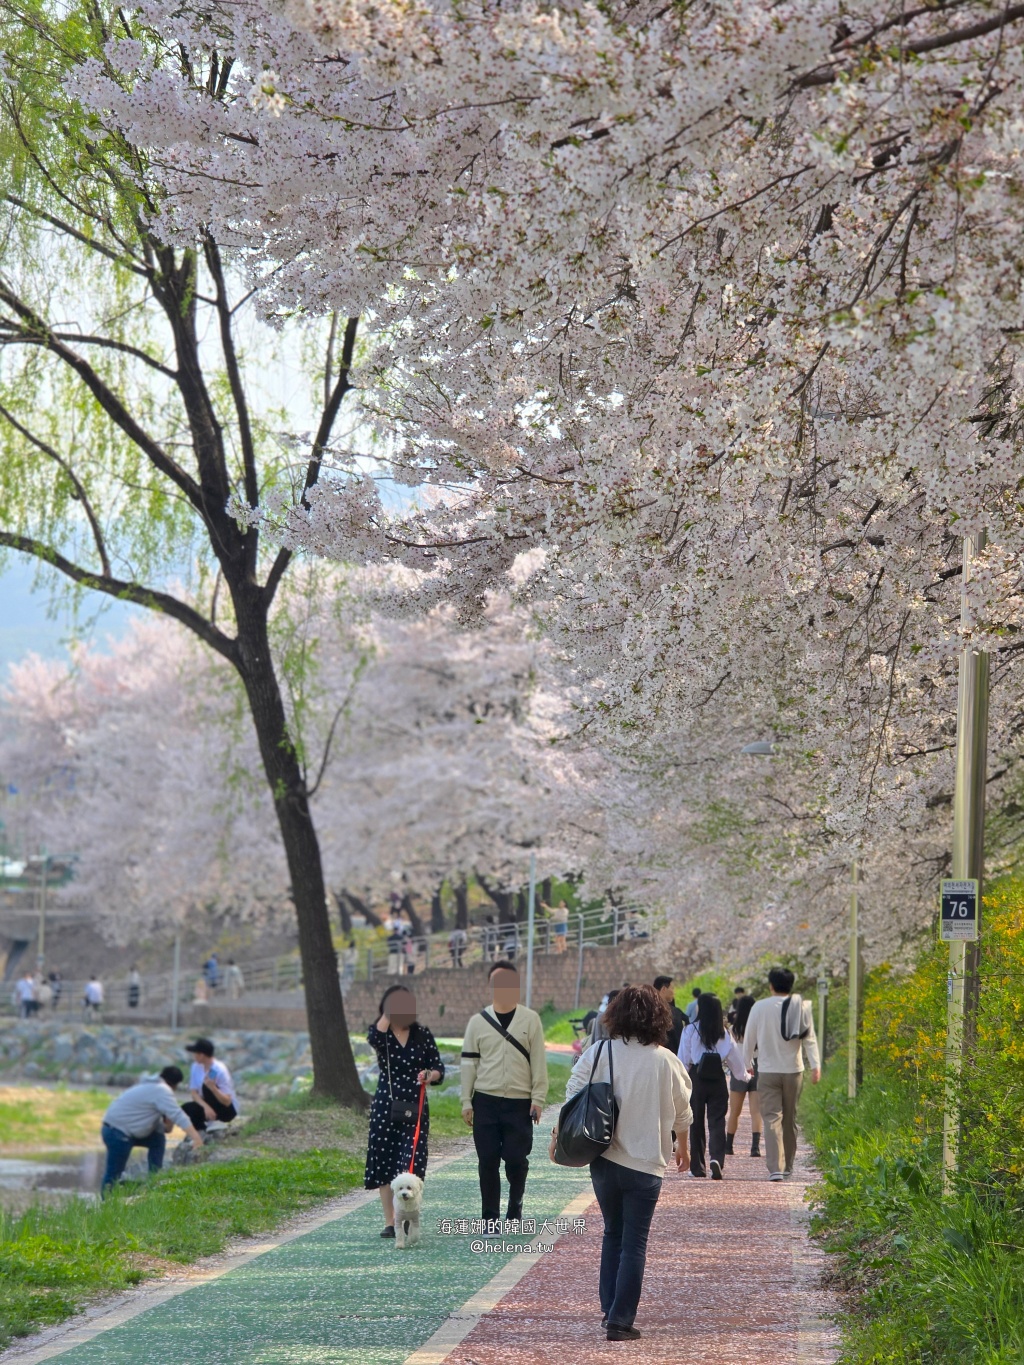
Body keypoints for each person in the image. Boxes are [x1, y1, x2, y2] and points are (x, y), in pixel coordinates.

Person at [554, 984, 692, 1343]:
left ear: (615, 1015)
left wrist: (559, 1133)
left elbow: (573, 1091)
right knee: (635, 1240)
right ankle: (620, 1319)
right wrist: (684, 1148)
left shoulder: (599, 1051)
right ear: (659, 1018)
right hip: (646, 1164)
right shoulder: (666, 1060)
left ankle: (609, 1310)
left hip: (604, 1158)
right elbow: (683, 1112)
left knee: (613, 1232)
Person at [461, 962, 548, 1226]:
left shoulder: (531, 1019)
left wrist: (538, 1099)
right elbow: (469, 1064)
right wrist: (466, 1101)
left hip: (519, 1103)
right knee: (487, 1161)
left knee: (515, 1159)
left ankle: (515, 1205)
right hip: (485, 1101)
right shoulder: (477, 1022)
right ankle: (490, 1218)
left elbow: (539, 1062)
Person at [365, 985, 444, 1238]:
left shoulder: (422, 1034)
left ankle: (409, 1216)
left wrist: (429, 1075)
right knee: (387, 1166)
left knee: (412, 1162)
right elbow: (373, 1038)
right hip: (385, 1107)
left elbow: (438, 1067)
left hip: (415, 1107)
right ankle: (391, 1222)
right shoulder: (382, 1034)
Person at [742, 967, 821, 1181]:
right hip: (794, 1070)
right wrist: (816, 1066)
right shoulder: (800, 1006)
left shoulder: (759, 1007)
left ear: (771, 985)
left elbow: (749, 1037)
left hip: (767, 1071)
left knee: (771, 1118)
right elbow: (810, 1038)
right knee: (790, 1118)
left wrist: (747, 1062)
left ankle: (776, 1167)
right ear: (791, 985)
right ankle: (788, 1166)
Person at [678, 993, 749, 1179]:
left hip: (696, 1080)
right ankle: (716, 1159)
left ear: (700, 1008)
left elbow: (683, 1061)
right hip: (718, 1080)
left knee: (696, 1123)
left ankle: (697, 1167)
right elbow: (736, 1063)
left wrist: (680, 1083)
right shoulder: (725, 1033)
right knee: (717, 1121)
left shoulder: (690, 1030)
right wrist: (746, 1077)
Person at [100, 1065, 203, 1193]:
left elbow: (163, 1127)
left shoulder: (150, 1086)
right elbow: (178, 1114)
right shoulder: (162, 1090)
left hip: (120, 1129)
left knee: (157, 1139)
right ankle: (107, 1204)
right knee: (114, 1174)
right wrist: (196, 1138)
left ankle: (155, 1180)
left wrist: (168, 1122)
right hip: (117, 1132)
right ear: (175, 1085)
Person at [726, 993, 762, 1158]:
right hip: (757, 1068)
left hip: (739, 1070)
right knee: (756, 1112)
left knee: (735, 1111)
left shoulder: (733, 1029)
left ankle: (729, 1145)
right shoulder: (759, 1027)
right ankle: (755, 1148)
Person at [180, 1038, 239, 1131]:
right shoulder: (195, 1067)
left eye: (196, 1053)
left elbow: (227, 1101)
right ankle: (201, 1132)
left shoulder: (219, 1069)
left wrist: (213, 1088)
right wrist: (206, 1107)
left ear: (202, 1055)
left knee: (206, 1086)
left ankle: (218, 1123)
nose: (194, 1056)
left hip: (226, 1109)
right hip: (207, 1105)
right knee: (187, 1109)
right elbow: (194, 1093)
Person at [653, 976, 685, 1056]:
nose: (674, 992)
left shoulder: (646, 1010)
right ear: (664, 989)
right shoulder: (675, 1012)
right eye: (672, 988)